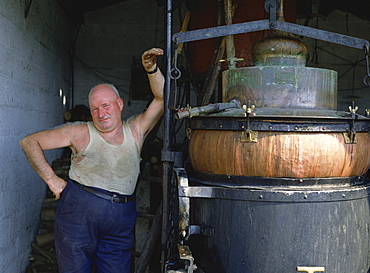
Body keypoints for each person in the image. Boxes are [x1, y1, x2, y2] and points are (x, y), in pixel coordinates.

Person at [20, 48, 165, 273]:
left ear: (119, 104)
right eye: (95, 108)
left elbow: (162, 97)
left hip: (121, 218)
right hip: (79, 214)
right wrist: (52, 180)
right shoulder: (79, 131)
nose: (101, 113)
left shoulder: (136, 130)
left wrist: (152, 70)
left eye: (106, 106)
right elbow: (29, 142)